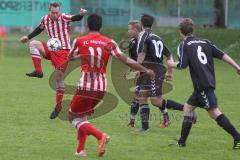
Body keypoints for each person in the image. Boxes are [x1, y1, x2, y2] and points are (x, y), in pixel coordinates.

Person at [68, 13, 155, 157]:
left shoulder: (79, 40)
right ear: (101, 27)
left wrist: (80, 56)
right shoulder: (109, 42)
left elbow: (70, 57)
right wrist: (145, 69)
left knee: (73, 118)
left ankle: (100, 136)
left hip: (86, 86)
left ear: (87, 26)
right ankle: (80, 150)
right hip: (101, 88)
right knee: (83, 118)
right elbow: (126, 60)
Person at [168, 18, 240, 149]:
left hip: (202, 85)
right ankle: (181, 142)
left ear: (181, 32)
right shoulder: (205, 42)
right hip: (204, 84)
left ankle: (238, 138)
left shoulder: (184, 45)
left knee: (214, 113)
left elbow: (182, 65)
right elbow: (223, 55)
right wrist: (237, 67)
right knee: (188, 108)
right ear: (192, 29)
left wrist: (171, 64)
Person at [19, 2, 87, 119]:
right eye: (53, 13)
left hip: (63, 52)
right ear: (49, 11)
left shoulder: (64, 17)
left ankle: (58, 106)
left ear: (59, 11)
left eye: (57, 12)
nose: (55, 15)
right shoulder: (45, 19)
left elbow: (75, 18)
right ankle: (38, 71)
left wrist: (81, 14)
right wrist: (28, 37)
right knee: (33, 44)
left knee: (59, 80)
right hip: (51, 49)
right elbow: (39, 29)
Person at [136, 14, 189, 131]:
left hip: (152, 69)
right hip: (154, 69)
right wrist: (170, 71)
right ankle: (145, 127)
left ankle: (187, 109)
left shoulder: (143, 35)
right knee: (142, 96)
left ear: (141, 24)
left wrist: (137, 68)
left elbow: (142, 53)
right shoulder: (157, 37)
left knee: (155, 101)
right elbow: (169, 54)